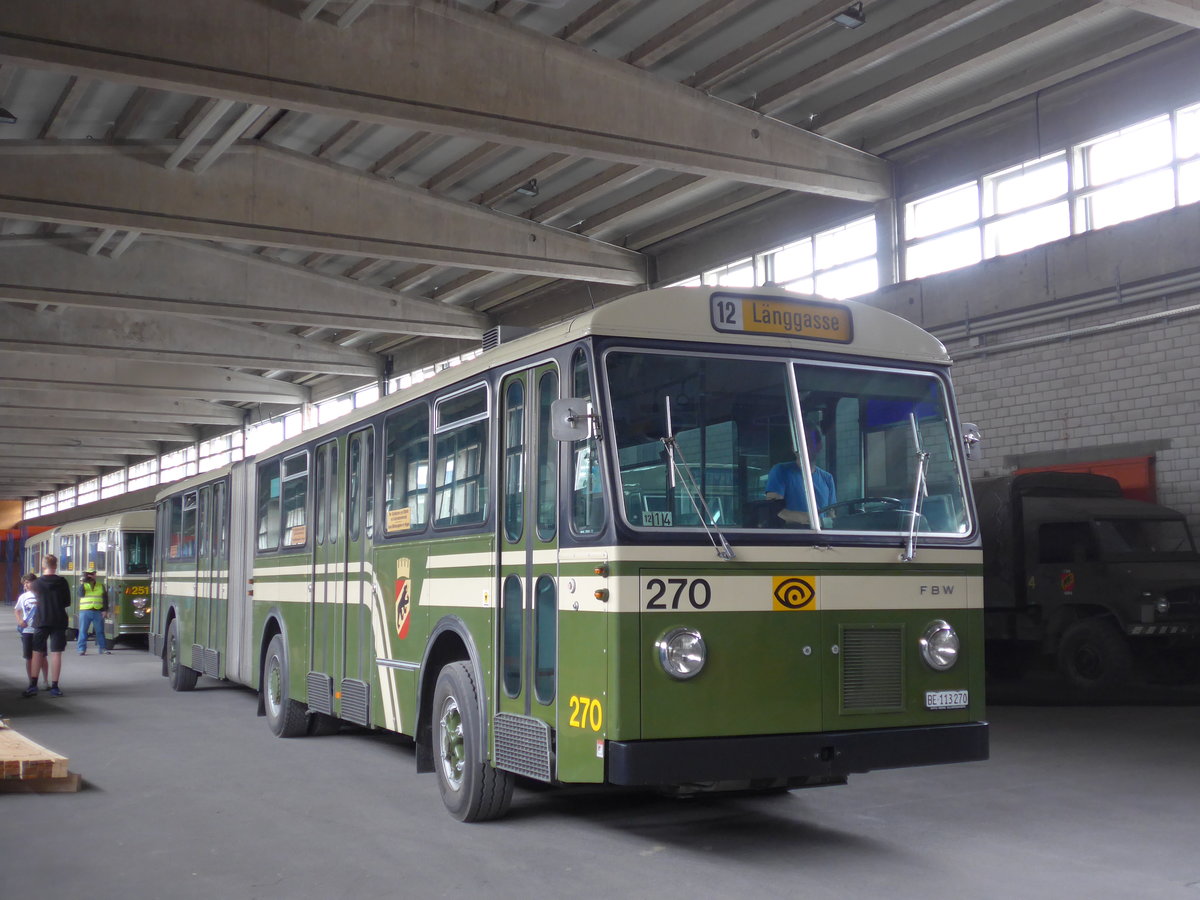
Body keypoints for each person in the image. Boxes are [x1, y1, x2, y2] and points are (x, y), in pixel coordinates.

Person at [765, 429, 836, 526]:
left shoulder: (827, 478)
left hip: (820, 537)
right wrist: (810, 520)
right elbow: (775, 509)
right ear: (793, 447)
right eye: (801, 442)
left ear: (819, 446)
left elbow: (831, 514)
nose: (805, 446)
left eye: (810, 442)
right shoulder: (780, 471)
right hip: (793, 537)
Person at [27, 553, 71, 698]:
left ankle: (33, 685)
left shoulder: (36, 584)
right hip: (59, 620)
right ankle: (55, 686)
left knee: (37, 652)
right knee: (56, 653)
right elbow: (67, 602)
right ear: (56, 566)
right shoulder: (63, 582)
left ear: (43, 566)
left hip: (41, 620)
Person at [14, 572, 50, 693]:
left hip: (39, 629)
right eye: (25, 583)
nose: (26, 585)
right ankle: (31, 682)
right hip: (27, 630)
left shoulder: (42, 595)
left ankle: (45, 681)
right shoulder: (23, 597)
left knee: (43, 656)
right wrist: (19, 621)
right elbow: (17, 610)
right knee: (28, 657)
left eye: (28, 582)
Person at [77, 567, 111, 655]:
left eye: (93, 574)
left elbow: (105, 599)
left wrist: (105, 610)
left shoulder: (100, 585)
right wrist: (84, 582)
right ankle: (81, 649)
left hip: (97, 611)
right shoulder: (83, 585)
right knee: (83, 631)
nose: (92, 575)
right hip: (85, 611)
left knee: (100, 631)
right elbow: (80, 594)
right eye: (90, 574)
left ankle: (103, 648)